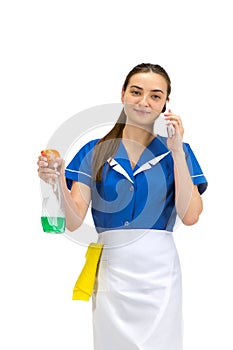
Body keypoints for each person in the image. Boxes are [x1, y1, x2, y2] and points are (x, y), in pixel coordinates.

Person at [37, 63, 207, 350]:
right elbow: (74, 220)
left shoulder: (178, 151)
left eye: (155, 95)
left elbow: (190, 215)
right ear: (123, 94)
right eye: (136, 92)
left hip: (160, 272)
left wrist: (176, 149)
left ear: (166, 103)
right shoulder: (95, 151)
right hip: (112, 270)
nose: (144, 101)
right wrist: (56, 181)